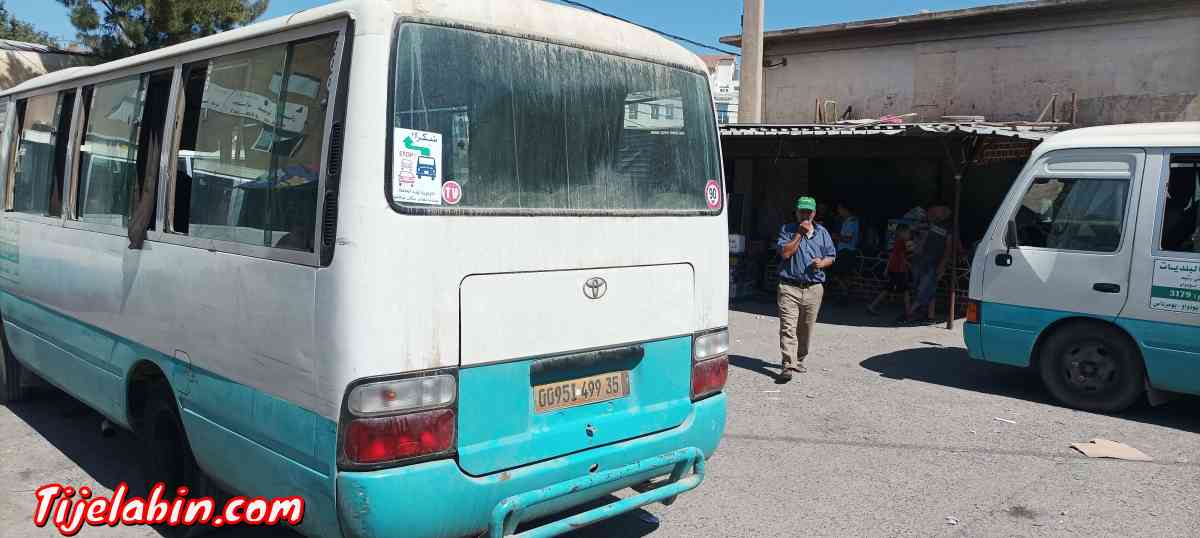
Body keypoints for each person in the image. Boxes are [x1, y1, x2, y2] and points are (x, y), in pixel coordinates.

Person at [775, 196, 837, 383]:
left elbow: (832, 256)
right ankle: (787, 364)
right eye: (802, 211)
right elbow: (785, 253)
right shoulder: (787, 230)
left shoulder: (823, 233)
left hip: (814, 288)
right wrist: (799, 234)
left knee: (806, 328)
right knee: (788, 327)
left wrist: (821, 263)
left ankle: (799, 358)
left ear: (814, 213)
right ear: (796, 212)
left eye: (808, 212)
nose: (805, 215)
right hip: (789, 287)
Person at [902, 205, 953, 323]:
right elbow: (911, 232)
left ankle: (910, 313)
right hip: (922, 260)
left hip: (934, 262)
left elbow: (948, 248)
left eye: (938, 211)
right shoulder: (927, 224)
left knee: (925, 287)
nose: (935, 213)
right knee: (924, 287)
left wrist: (942, 264)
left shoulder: (949, 228)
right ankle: (927, 315)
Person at [867, 224, 912, 315]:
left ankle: (872, 306)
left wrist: (887, 269)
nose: (909, 235)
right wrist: (909, 266)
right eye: (908, 232)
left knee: (888, 289)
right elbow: (902, 257)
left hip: (894, 269)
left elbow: (892, 256)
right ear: (902, 233)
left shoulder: (896, 242)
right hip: (899, 270)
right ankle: (909, 312)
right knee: (905, 290)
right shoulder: (902, 243)